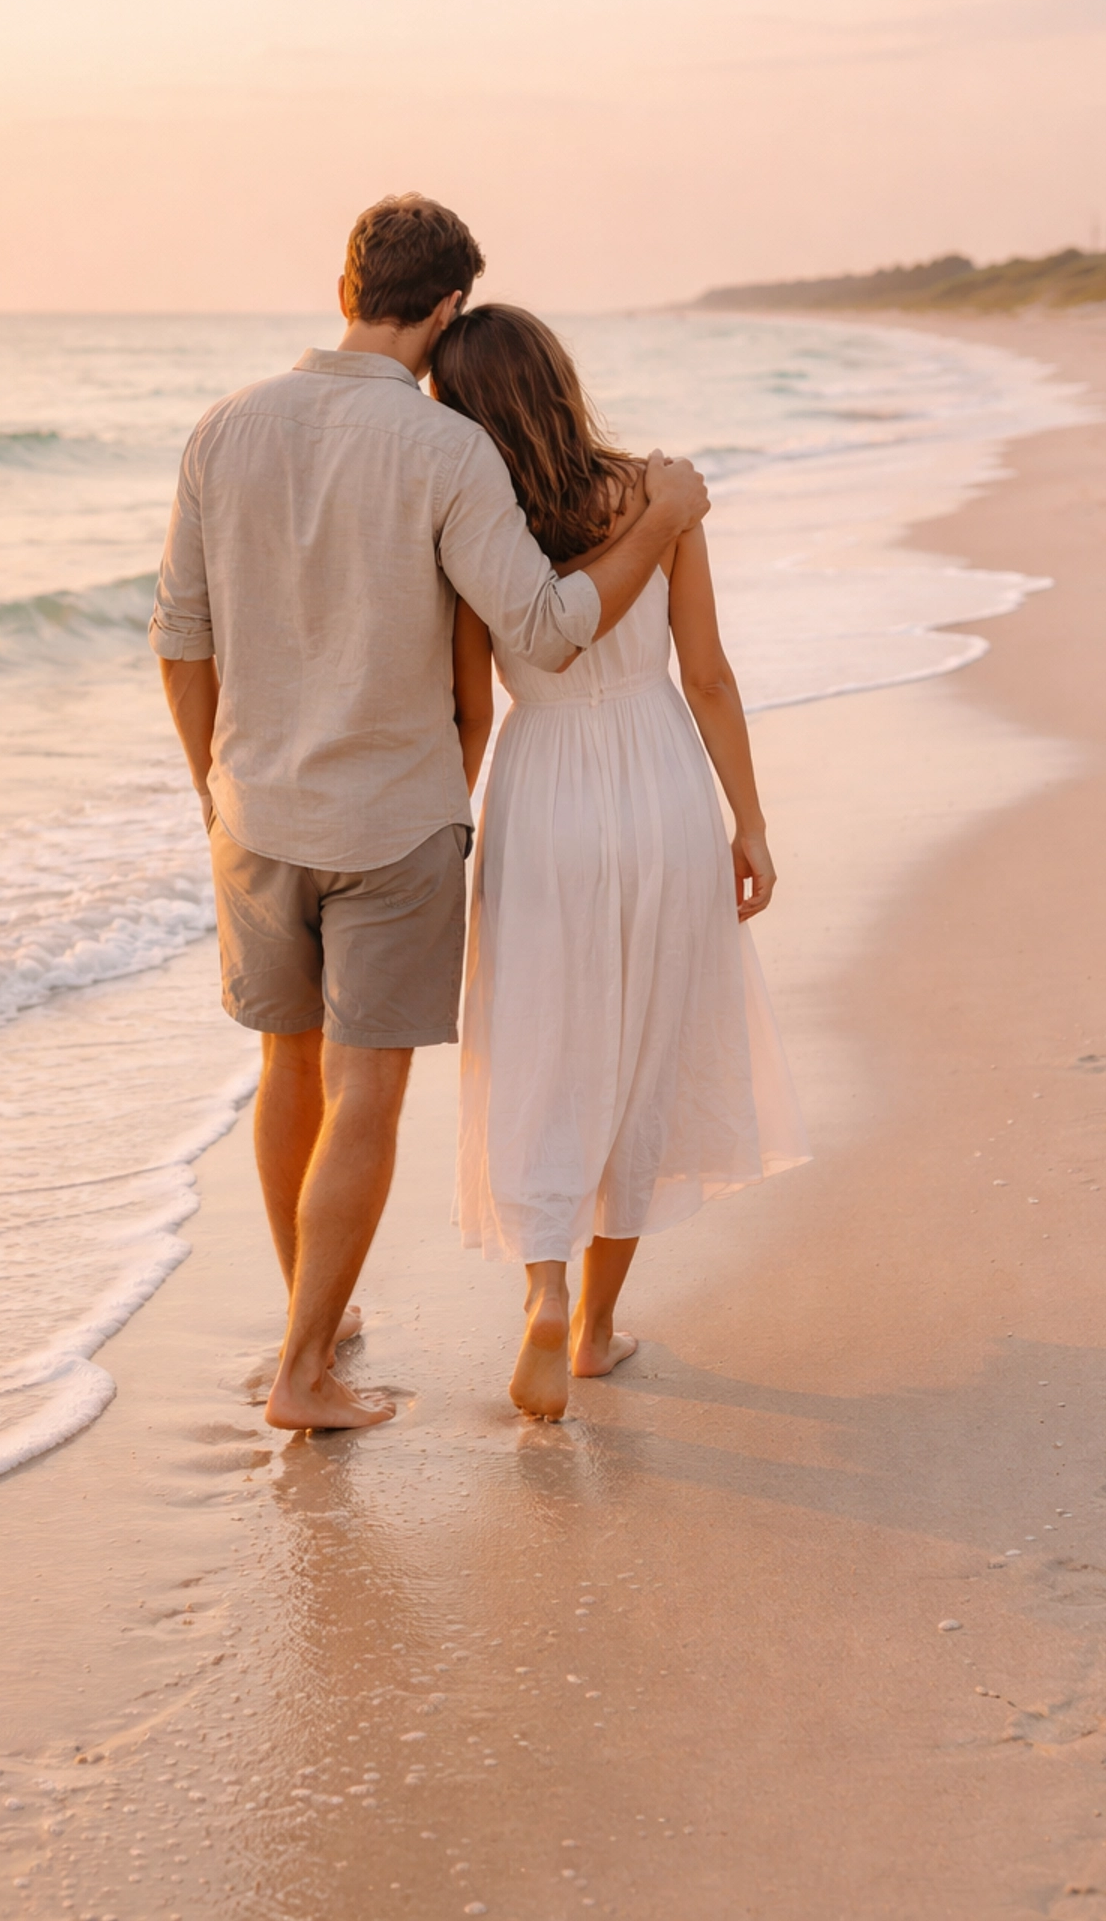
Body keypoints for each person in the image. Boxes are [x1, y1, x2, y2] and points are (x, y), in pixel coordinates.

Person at [150, 197, 711, 1431]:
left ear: (345, 286)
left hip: (253, 809)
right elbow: (547, 630)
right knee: (365, 1088)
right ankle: (306, 1369)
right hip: (396, 819)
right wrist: (667, 517)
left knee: (284, 1064)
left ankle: (316, 1320)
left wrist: (210, 787)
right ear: (449, 306)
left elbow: (181, 637)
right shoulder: (448, 451)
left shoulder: (224, 425)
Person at [431, 304, 810, 1421]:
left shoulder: (474, 524)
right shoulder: (658, 494)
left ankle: (545, 1291)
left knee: (544, 1049)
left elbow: (471, 708)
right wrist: (750, 823)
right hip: (659, 784)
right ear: (560, 378)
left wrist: (447, 835)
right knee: (644, 1053)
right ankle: (595, 1331)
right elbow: (709, 675)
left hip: (541, 792)